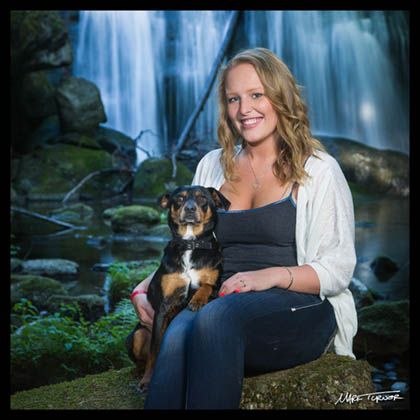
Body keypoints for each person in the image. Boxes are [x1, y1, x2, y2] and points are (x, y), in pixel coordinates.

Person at [131, 47, 357, 409]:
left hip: (300, 309)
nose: (244, 109)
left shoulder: (320, 170)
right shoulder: (211, 167)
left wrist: (268, 276)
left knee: (215, 318)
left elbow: (339, 269)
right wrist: (145, 288)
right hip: (220, 301)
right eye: (233, 98)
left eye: (256, 95)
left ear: (280, 97)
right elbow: (189, 249)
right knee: (174, 335)